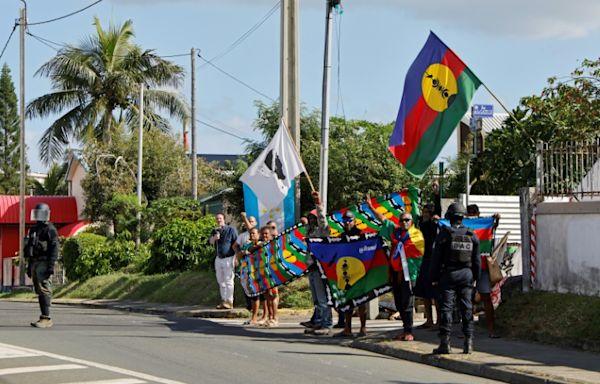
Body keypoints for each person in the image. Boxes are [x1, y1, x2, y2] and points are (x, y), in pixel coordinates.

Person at [366, 196, 424, 342]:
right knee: (398, 303)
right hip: (395, 272)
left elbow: (419, 257)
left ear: (411, 222)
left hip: (409, 274)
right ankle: (404, 329)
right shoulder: (395, 232)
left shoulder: (416, 235)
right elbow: (383, 220)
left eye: (407, 220)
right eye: (402, 220)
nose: (404, 222)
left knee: (407, 303)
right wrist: (372, 208)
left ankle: (409, 331)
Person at [430, 202, 480, 354]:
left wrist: (434, 278)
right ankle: (468, 343)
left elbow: (436, 259)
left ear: (450, 217)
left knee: (447, 308)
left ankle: (445, 343)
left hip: (449, 275)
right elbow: (477, 261)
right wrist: (475, 278)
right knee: (467, 308)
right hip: (467, 275)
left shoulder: (445, 234)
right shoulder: (472, 235)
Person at [467, 204, 501, 339]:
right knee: (466, 299)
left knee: (486, 297)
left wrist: (496, 220)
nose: (471, 214)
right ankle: (467, 331)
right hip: (467, 267)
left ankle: (491, 329)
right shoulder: (462, 226)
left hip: (482, 267)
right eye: (469, 212)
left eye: (473, 212)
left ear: (478, 212)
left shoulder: (483, 225)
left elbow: (493, 227)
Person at [333, 210, 368, 338]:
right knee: (347, 302)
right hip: (346, 273)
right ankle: (347, 328)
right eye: (344, 221)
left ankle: (363, 328)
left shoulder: (361, 234)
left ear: (354, 221)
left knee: (361, 302)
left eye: (349, 220)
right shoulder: (341, 236)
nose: (347, 223)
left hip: (359, 272)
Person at [302, 191, 333, 336]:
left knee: (322, 299)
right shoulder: (310, 232)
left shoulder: (323, 231)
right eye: (310, 218)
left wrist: (318, 203)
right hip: (312, 268)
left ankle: (326, 324)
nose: (312, 220)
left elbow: (323, 220)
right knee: (316, 300)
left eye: (313, 218)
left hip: (321, 268)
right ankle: (318, 322)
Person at [24, 203, 59, 328]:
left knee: (44, 288)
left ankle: (46, 318)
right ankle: (43, 316)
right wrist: (29, 266)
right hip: (35, 262)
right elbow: (30, 248)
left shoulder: (50, 229)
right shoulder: (34, 229)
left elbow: (54, 248)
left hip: (44, 262)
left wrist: (51, 265)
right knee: (39, 289)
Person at [414, 184, 442, 329]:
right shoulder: (421, 223)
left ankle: (438, 321)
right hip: (423, 260)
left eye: (426, 212)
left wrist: (437, 194)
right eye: (423, 211)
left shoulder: (433, 223)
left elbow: (438, 209)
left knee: (434, 293)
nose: (424, 214)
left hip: (433, 261)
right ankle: (429, 320)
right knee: (424, 292)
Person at [209, 213, 238, 309]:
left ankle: (230, 301)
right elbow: (210, 242)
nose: (219, 220)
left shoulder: (230, 230)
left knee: (229, 280)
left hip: (229, 257)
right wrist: (214, 238)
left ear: (224, 219)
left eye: (220, 218)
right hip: (219, 258)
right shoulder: (215, 230)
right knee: (220, 280)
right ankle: (224, 300)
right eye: (217, 218)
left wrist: (236, 257)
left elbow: (235, 243)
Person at [234, 212, 257, 311]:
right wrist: (239, 254)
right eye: (249, 221)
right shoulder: (243, 236)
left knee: (255, 287)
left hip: (256, 265)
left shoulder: (257, 233)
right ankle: (249, 306)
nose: (250, 223)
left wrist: (244, 218)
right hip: (245, 265)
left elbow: (251, 230)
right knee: (246, 285)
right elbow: (235, 247)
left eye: (252, 221)